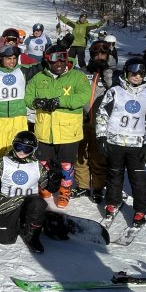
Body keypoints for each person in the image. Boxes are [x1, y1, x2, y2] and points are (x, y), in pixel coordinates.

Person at [24, 44, 91, 208]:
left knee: (66, 164)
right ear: (47, 60)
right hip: (44, 130)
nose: (60, 61)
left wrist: (59, 101)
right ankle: (46, 185)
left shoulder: (77, 76)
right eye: (55, 58)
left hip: (69, 131)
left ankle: (64, 190)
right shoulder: (39, 77)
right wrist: (36, 102)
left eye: (63, 56)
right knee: (43, 162)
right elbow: (28, 97)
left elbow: (84, 96)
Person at [96, 57, 146, 225]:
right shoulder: (115, 92)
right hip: (114, 142)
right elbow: (102, 115)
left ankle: (142, 208)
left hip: (136, 145)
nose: (136, 77)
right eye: (133, 73)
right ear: (126, 73)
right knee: (114, 175)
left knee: (138, 178)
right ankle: (112, 202)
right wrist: (101, 137)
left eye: (140, 74)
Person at [0, 131, 61, 253]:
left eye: (27, 149)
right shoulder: (5, 161)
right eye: (19, 147)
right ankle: (20, 222)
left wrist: (54, 179)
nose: (22, 152)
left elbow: (47, 186)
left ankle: (32, 236)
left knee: (38, 203)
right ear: (14, 145)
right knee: (5, 239)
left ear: (33, 150)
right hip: (9, 204)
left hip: (29, 202)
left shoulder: (36, 165)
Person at [0, 45, 42, 163]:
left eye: (14, 58)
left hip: (18, 117)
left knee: (20, 149)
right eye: (9, 58)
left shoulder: (23, 70)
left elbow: (41, 66)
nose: (12, 61)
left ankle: (18, 176)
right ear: (1, 59)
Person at [72, 41, 113, 203]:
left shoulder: (112, 74)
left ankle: (97, 187)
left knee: (98, 156)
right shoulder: (82, 72)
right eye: (96, 54)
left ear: (108, 56)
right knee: (80, 154)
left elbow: (116, 92)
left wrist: (107, 74)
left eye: (103, 54)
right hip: (81, 118)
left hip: (101, 122)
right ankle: (82, 186)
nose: (99, 57)